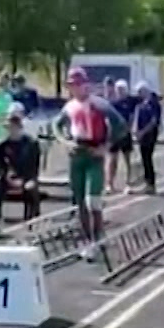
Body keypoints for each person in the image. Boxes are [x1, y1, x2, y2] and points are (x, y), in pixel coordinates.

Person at [51, 67, 127, 247]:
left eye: (78, 84)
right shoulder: (69, 106)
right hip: (77, 152)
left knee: (92, 199)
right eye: (72, 85)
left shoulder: (99, 104)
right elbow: (56, 125)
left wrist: (106, 146)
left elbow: (121, 126)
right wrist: (65, 141)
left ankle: (98, 235)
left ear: (86, 85)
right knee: (79, 201)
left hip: (94, 152)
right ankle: (87, 240)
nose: (76, 89)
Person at [0, 109, 42, 225]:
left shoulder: (31, 144)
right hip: (8, 178)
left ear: (19, 127)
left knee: (31, 189)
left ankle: (30, 220)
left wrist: (25, 180)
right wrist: (6, 178)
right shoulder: (2, 146)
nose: (10, 130)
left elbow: (34, 166)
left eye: (12, 127)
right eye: (8, 127)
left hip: (26, 177)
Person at [131, 82, 162, 194]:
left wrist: (142, 132)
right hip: (142, 135)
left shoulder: (153, 103)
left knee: (148, 158)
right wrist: (136, 131)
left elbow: (153, 121)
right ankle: (147, 182)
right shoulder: (142, 103)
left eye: (140, 91)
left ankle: (151, 183)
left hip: (149, 135)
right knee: (144, 159)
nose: (139, 94)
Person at [107, 80, 138, 194]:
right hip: (114, 134)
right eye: (118, 89)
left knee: (127, 160)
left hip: (126, 134)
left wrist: (129, 129)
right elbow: (108, 119)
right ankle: (110, 184)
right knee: (112, 159)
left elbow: (132, 116)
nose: (120, 91)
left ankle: (128, 183)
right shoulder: (112, 103)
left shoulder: (130, 102)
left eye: (122, 89)